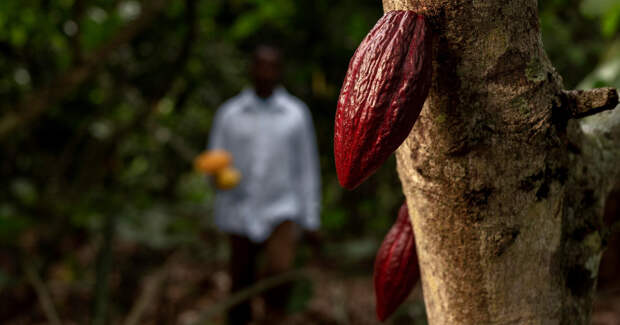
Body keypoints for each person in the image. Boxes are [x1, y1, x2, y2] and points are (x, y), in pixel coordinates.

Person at [207, 45, 321, 325]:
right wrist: (218, 179)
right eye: (261, 65)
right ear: (252, 69)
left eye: (272, 66)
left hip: (282, 209)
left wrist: (310, 218)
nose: (266, 72)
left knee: (279, 279)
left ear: (280, 71)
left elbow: (306, 168)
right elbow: (215, 159)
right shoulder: (230, 114)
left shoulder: (295, 114)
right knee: (241, 280)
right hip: (239, 208)